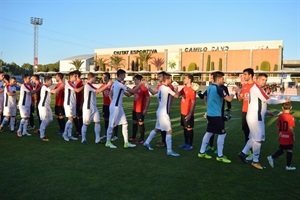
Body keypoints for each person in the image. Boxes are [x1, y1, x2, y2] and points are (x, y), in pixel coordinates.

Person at [238, 73, 289, 170]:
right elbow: (268, 101)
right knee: (258, 139)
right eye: (262, 79)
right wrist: (283, 100)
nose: (264, 81)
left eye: (265, 80)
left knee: (253, 137)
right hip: (255, 118)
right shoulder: (256, 88)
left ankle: (243, 153)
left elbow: (259, 103)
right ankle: (255, 161)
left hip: (254, 116)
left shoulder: (256, 88)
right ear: (256, 79)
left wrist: (266, 111)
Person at [197, 71, 234, 163]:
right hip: (216, 115)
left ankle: (201, 152)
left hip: (210, 114)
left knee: (209, 132)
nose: (223, 80)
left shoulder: (209, 87)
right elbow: (229, 99)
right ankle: (220, 156)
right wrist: (234, 93)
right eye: (222, 78)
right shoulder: (219, 89)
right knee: (222, 134)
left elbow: (204, 97)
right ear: (218, 79)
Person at [105, 69, 145, 149]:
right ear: (121, 75)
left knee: (125, 123)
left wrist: (113, 101)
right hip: (116, 107)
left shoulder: (115, 84)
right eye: (124, 75)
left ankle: (126, 142)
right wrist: (140, 84)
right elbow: (133, 91)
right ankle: (108, 142)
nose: (125, 76)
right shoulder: (119, 84)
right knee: (111, 124)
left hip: (118, 106)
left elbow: (126, 94)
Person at [143, 72, 181, 157]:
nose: (170, 81)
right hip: (163, 113)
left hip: (159, 111)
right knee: (169, 131)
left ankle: (147, 142)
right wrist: (176, 89)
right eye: (169, 79)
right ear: (166, 79)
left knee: (157, 129)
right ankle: (169, 151)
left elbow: (154, 93)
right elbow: (177, 96)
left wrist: (148, 86)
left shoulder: (160, 88)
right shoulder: (166, 88)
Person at [81, 72, 111, 144]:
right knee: (86, 123)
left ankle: (97, 139)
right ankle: (83, 139)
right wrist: (107, 85)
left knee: (97, 122)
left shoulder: (90, 85)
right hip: (88, 107)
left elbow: (97, 90)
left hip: (94, 107)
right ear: (91, 78)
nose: (96, 79)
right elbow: (98, 91)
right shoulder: (88, 85)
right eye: (95, 78)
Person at [267, 102, 296, 170]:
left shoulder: (280, 116)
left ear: (282, 108)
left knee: (283, 149)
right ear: (291, 107)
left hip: (282, 135)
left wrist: (279, 135)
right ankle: (287, 166)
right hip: (288, 136)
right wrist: (294, 135)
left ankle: (273, 158)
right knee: (289, 150)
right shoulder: (291, 117)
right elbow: (291, 128)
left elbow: (279, 127)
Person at [147, 71, 171, 147]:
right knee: (163, 129)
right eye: (158, 76)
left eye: (160, 76)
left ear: (164, 77)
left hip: (164, 110)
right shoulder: (160, 86)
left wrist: (168, 109)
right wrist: (148, 87)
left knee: (161, 128)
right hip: (162, 111)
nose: (158, 78)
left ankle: (163, 142)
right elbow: (154, 93)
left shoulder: (168, 86)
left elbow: (171, 98)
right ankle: (166, 145)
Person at [236, 68, 255, 160]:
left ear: (250, 75)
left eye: (245, 74)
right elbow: (240, 99)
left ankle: (252, 153)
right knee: (246, 132)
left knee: (252, 134)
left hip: (252, 113)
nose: (244, 76)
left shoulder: (255, 86)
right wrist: (238, 92)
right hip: (244, 111)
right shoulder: (245, 86)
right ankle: (248, 152)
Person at [62, 71, 84, 142]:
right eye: (75, 76)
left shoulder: (73, 83)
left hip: (73, 103)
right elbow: (77, 90)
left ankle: (69, 134)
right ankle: (65, 134)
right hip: (68, 104)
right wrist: (84, 85)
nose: (76, 77)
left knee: (72, 119)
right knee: (70, 119)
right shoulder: (68, 83)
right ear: (71, 77)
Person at [128, 74, 150, 144]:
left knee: (140, 123)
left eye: (135, 80)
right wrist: (122, 90)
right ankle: (133, 137)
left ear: (140, 80)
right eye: (134, 80)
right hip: (134, 109)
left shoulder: (144, 88)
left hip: (140, 109)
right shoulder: (135, 87)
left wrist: (145, 109)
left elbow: (148, 98)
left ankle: (142, 138)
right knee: (134, 123)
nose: (134, 81)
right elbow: (129, 94)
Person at [178, 74, 196, 151]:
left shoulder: (192, 90)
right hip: (183, 112)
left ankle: (190, 145)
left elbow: (193, 102)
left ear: (189, 80)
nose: (184, 79)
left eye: (185, 78)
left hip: (188, 113)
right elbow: (178, 94)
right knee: (185, 128)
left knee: (189, 129)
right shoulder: (184, 88)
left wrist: (190, 114)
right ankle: (186, 143)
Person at [99, 72, 119, 142]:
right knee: (106, 119)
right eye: (103, 77)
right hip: (105, 105)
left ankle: (115, 135)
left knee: (114, 120)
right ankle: (106, 133)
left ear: (108, 77)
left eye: (105, 77)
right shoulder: (103, 85)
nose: (104, 78)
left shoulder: (113, 85)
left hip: (112, 105)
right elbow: (97, 91)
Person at [38, 76, 59, 141]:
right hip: (43, 106)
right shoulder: (44, 87)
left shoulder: (48, 87)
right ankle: (42, 136)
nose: (52, 82)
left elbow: (51, 92)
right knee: (44, 120)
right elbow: (54, 92)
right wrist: (61, 86)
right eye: (51, 80)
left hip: (47, 106)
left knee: (50, 119)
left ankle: (41, 129)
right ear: (47, 81)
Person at [73, 70, 84, 138]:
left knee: (79, 118)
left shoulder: (81, 83)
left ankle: (79, 132)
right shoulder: (74, 83)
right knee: (75, 117)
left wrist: (81, 104)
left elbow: (82, 94)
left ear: (76, 75)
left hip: (78, 102)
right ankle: (78, 130)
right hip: (74, 102)